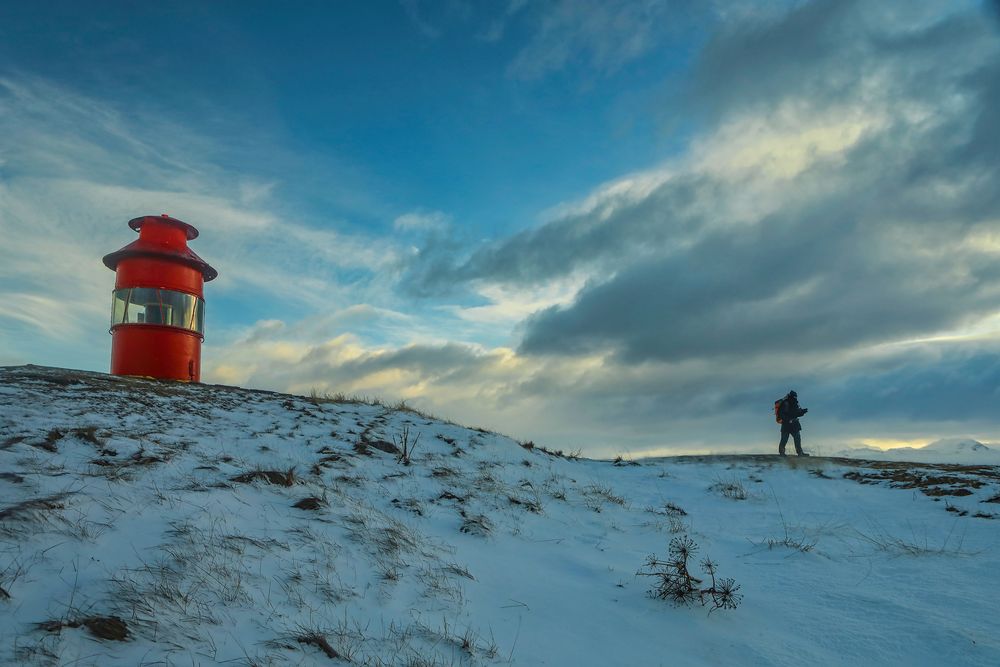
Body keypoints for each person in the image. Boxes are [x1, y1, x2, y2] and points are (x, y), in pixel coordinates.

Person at [777, 390, 808, 456]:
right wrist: (788, 420)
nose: (795, 398)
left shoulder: (794, 403)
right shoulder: (786, 403)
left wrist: (802, 412)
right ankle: (783, 453)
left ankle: (799, 453)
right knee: (786, 439)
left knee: (795, 439)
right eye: (795, 396)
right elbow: (781, 414)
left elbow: (795, 413)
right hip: (788, 424)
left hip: (792, 424)